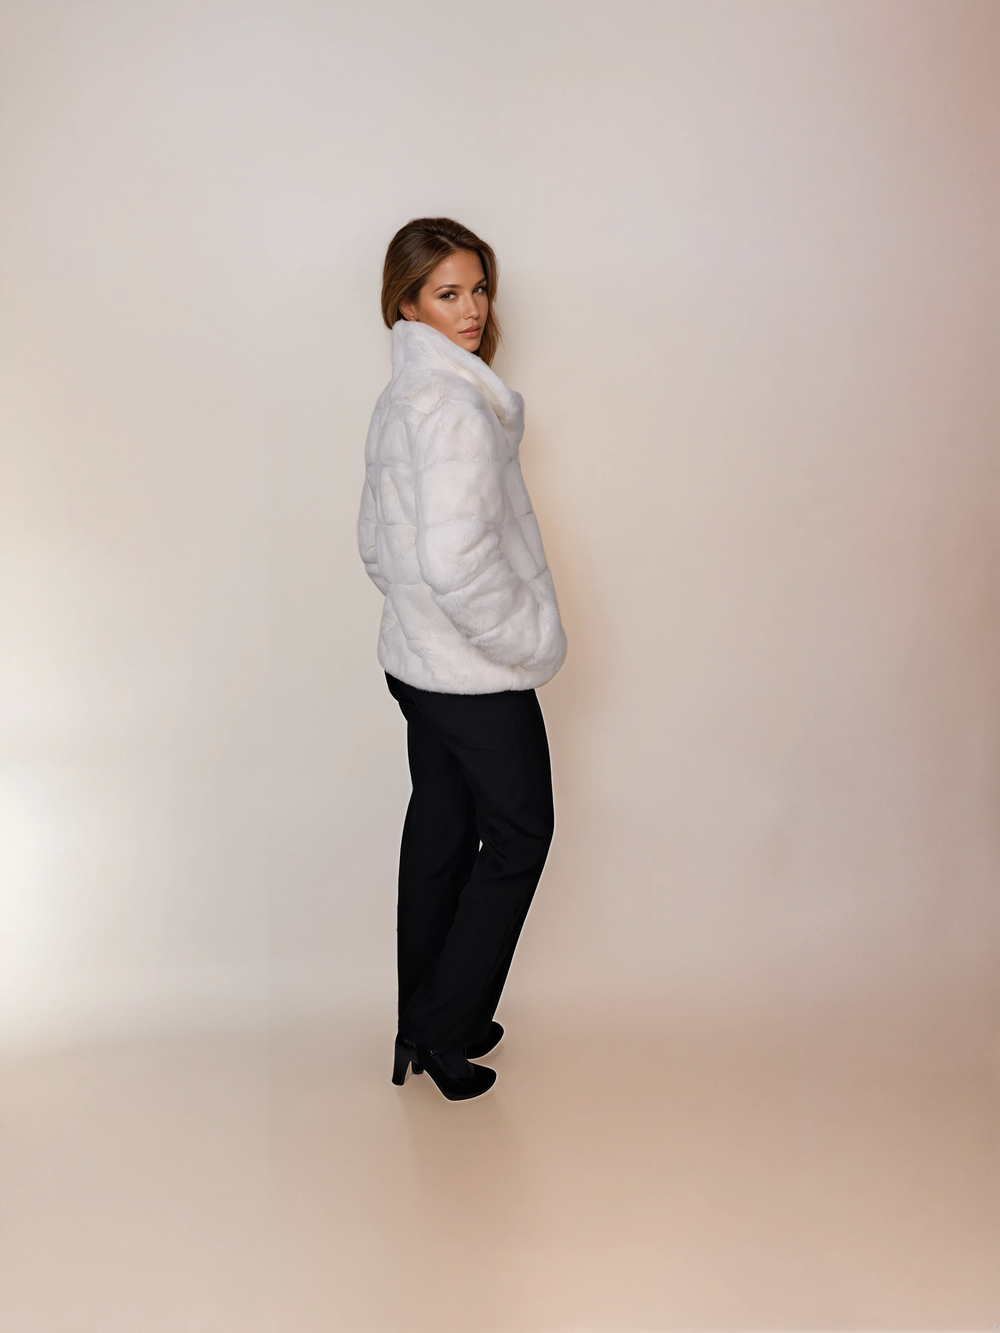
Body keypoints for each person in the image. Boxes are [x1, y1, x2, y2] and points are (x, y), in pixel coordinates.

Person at [357, 217, 567, 1102]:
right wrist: (526, 639)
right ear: (407, 304)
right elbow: (455, 563)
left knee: (442, 829)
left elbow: (376, 544)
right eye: (448, 293)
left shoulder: (402, 395)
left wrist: (419, 618)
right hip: (471, 673)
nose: (473, 309)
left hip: (417, 667)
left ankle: (425, 1018)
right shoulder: (453, 406)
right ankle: (446, 1029)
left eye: (478, 288)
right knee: (520, 835)